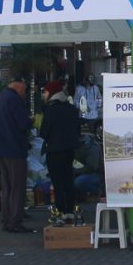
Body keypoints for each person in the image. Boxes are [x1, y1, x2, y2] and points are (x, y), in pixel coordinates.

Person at [0, 76, 35, 233]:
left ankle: (6, 219)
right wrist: (31, 120)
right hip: (14, 149)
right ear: (18, 85)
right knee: (17, 186)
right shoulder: (14, 100)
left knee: (6, 186)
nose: (24, 92)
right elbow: (23, 124)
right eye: (23, 88)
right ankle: (15, 221)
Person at [39, 80, 80, 215]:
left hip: (54, 152)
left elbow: (44, 133)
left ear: (52, 93)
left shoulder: (50, 110)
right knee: (68, 180)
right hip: (69, 151)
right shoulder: (72, 109)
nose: (43, 95)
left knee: (58, 183)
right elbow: (77, 131)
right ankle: (70, 210)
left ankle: (60, 212)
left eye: (45, 92)